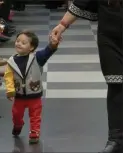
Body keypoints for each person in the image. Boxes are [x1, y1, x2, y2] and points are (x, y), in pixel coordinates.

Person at [51, 0, 123, 153]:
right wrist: (62, 25)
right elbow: (83, 1)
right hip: (109, 37)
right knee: (115, 83)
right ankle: (116, 139)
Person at [4, 30, 60, 144]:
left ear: (31, 47)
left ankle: (34, 132)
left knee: (35, 115)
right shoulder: (11, 61)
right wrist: (10, 91)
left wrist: (53, 44)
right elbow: (8, 76)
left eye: (23, 43)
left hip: (34, 95)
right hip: (19, 96)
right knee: (16, 114)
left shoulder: (37, 58)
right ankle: (18, 124)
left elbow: (47, 52)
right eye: (18, 41)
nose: (19, 43)